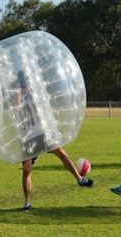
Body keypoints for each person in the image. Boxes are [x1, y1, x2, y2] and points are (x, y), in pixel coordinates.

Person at [14, 70, 94, 212]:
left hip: (42, 133)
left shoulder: (35, 94)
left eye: (27, 79)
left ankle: (80, 179)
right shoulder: (18, 96)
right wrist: (19, 89)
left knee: (62, 153)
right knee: (26, 170)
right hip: (28, 137)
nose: (26, 81)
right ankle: (27, 203)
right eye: (24, 79)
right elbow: (17, 108)